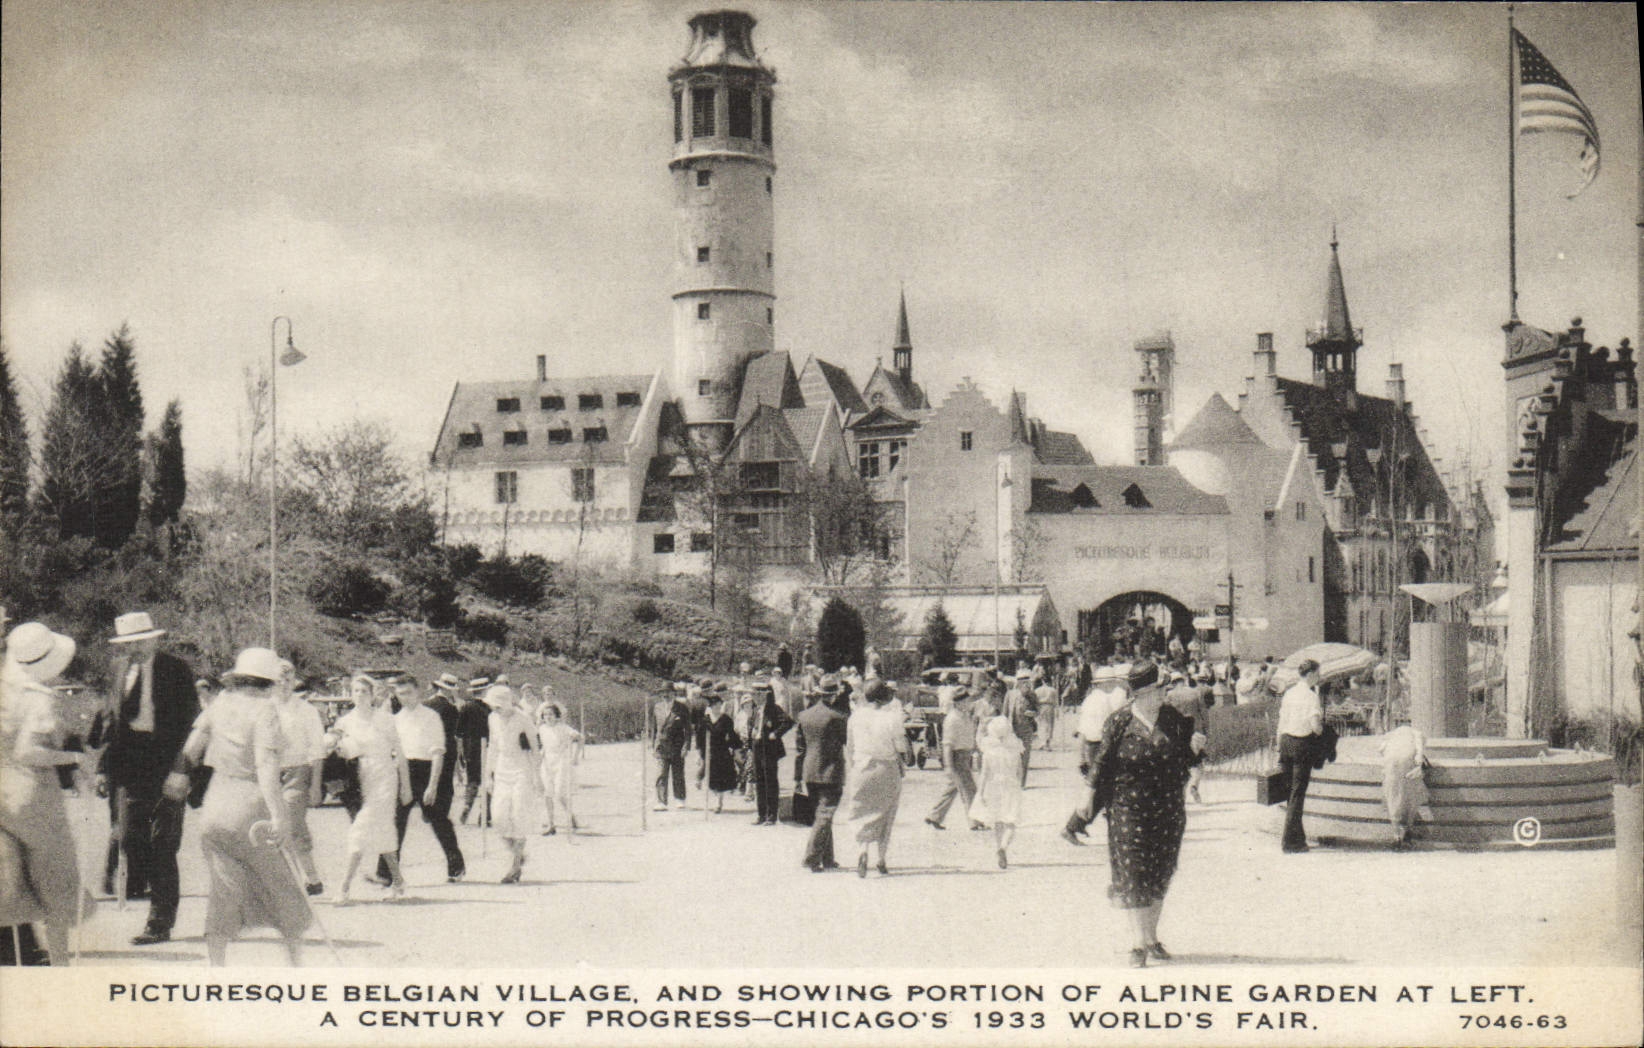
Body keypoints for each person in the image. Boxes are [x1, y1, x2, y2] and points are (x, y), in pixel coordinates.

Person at [168, 648, 310, 966]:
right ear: (269, 682)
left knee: (223, 890)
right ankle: (296, 968)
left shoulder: (220, 704)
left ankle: (217, 968)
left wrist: (178, 776)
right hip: (250, 806)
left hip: (215, 805)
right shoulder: (266, 711)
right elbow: (265, 764)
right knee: (284, 888)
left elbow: (191, 749)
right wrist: (279, 814)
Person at [1086, 661, 1204, 967]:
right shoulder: (1119, 721)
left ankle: (1151, 938)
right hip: (1127, 806)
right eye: (1158, 690)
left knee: (1161, 872)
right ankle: (1137, 943)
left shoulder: (1174, 719)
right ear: (1140, 693)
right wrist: (1088, 799)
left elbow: (1186, 758)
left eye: (1164, 689)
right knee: (1134, 872)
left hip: (1167, 807)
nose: (1164, 694)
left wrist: (1195, 750)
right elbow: (1101, 764)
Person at [98, 611, 199, 946]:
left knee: (164, 844)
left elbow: (191, 725)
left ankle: (159, 922)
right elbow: (110, 720)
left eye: (141, 640)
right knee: (127, 839)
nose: (136, 647)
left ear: (155, 638)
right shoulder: (118, 670)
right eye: (129, 643)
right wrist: (102, 768)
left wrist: (180, 770)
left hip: (166, 762)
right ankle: (142, 891)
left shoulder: (176, 670)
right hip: (129, 766)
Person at [1, 622, 88, 964]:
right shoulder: (38, 698)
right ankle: (60, 965)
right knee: (56, 886)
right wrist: (73, 758)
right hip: (33, 797)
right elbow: (28, 751)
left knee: (13, 885)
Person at [329, 674, 409, 903]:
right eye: (356, 691)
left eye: (365, 691)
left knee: (360, 829)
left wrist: (407, 787)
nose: (360, 695)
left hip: (384, 776)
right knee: (382, 829)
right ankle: (399, 881)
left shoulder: (385, 719)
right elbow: (334, 747)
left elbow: (400, 754)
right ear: (350, 694)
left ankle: (343, 888)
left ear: (373, 694)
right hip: (360, 778)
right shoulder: (345, 721)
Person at [384, 676, 465, 883]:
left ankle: (456, 865)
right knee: (396, 822)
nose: (405, 698)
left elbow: (438, 752)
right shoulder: (396, 718)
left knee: (439, 821)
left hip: (427, 770)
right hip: (404, 771)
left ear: (418, 691)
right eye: (400, 694)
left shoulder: (431, 717)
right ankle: (386, 872)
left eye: (409, 692)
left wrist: (432, 785)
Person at [841, 680, 911, 877]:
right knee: (886, 813)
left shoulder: (855, 717)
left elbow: (850, 746)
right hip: (886, 768)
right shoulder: (892, 718)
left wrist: (854, 766)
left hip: (861, 768)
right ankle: (881, 859)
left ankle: (862, 851)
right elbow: (901, 747)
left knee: (861, 811)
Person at [272, 662, 327, 895]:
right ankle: (291, 881)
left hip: (298, 771)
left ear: (294, 682)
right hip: (270, 773)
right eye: (279, 680)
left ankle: (312, 878)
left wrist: (315, 784)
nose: (284, 685)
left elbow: (317, 749)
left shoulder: (306, 710)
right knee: (272, 826)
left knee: (293, 823)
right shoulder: (265, 708)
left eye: (288, 680)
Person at [1062, 664, 1130, 845]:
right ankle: (1073, 826)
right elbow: (1086, 732)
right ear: (1104, 683)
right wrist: (1083, 757)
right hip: (1097, 746)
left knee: (1103, 789)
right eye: (1112, 682)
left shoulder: (1097, 699)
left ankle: (1078, 824)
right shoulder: (1097, 701)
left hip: (1097, 745)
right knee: (1103, 788)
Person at [478, 685, 539, 883]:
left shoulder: (523, 718)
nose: (496, 710)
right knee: (498, 817)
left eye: (498, 706)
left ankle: (514, 868)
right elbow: (493, 747)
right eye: (493, 706)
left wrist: (538, 775)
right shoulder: (492, 718)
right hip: (502, 770)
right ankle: (518, 853)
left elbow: (535, 747)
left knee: (519, 814)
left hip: (522, 769)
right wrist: (488, 775)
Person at [795, 678, 848, 871]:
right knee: (825, 815)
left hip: (810, 771)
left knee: (821, 814)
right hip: (830, 771)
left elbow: (800, 750)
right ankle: (811, 857)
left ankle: (828, 858)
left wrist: (797, 777)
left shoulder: (804, 715)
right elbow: (846, 741)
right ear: (834, 695)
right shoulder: (838, 717)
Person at [1276, 659, 1324, 854]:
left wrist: (1278, 747)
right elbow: (1315, 727)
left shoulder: (1289, 693)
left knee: (1290, 793)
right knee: (1297, 794)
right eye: (1318, 673)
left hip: (1285, 742)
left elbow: (1282, 720)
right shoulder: (1311, 696)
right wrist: (1321, 728)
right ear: (1311, 674)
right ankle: (1289, 842)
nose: (1319, 677)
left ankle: (1298, 837)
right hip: (1301, 745)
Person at [924, 685, 982, 831]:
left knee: (953, 788)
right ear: (958, 703)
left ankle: (934, 816)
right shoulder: (952, 719)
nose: (969, 704)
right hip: (957, 758)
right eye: (966, 701)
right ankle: (974, 822)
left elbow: (969, 736)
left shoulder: (965, 716)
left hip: (965, 755)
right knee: (969, 790)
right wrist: (948, 766)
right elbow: (947, 745)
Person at [970, 716, 1025, 869]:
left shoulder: (989, 752)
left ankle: (997, 848)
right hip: (1010, 785)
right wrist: (1018, 786)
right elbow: (1019, 773)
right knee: (1011, 821)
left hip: (993, 785)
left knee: (997, 820)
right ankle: (1003, 848)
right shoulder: (1015, 751)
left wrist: (980, 793)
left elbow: (984, 774)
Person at [1379, 720, 1431, 847]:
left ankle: (1396, 835)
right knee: (1411, 797)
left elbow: (1380, 749)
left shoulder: (1391, 735)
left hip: (1391, 765)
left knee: (1392, 798)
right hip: (1408, 765)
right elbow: (1419, 750)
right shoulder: (1417, 733)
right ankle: (1408, 829)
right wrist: (1419, 763)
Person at [748, 684, 793, 825]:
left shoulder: (774, 709)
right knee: (759, 781)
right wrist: (752, 732)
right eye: (754, 695)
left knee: (770, 781)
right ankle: (761, 814)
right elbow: (752, 725)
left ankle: (772, 815)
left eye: (758, 695)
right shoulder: (755, 710)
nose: (755, 698)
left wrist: (775, 733)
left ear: (765, 695)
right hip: (757, 747)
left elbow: (788, 722)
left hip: (769, 748)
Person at [1164, 669, 1209, 804]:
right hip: (1195, 731)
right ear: (1183, 680)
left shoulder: (1169, 695)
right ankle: (1194, 785)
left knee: (1181, 765)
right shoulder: (1196, 692)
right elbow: (1204, 713)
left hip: (1178, 734)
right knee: (1197, 763)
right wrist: (1207, 730)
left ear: (1173, 683)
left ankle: (1181, 795)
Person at [536, 700, 582, 833]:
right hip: (547, 762)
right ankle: (551, 824)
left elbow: (580, 738)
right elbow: (543, 745)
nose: (548, 717)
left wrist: (575, 757)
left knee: (560, 794)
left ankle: (571, 815)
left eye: (550, 714)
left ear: (556, 715)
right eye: (545, 715)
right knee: (547, 794)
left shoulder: (563, 727)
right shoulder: (542, 729)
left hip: (561, 761)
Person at [698, 691, 740, 813]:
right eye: (715, 705)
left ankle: (719, 802)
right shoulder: (705, 721)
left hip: (722, 752)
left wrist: (736, 749)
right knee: (712, 778)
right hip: (709, 752)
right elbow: (700, 739)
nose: (717, 707)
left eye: (719, 705)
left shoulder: (726, 720)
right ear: (710, 707)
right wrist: (699, 754)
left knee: (721, 778)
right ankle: (715, 797)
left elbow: (732, 736)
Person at [654, 686, 691, 811]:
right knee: (661, 774)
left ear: (673, 694)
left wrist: (686, 746)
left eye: (668, 693)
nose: (666, 695)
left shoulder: (682, 708)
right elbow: (654, 728)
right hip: (661, 747)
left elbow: (688, 730)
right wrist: (653, 744)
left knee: (678, 773)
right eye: (663, 693)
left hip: (677, 746)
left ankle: (679, 799)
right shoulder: (657, 707)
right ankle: (661, 801)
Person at [1001, 670, 1039, 785]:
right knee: (1012, 755)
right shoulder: (1010, 694)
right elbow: (1005, 712)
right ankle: (1012, 780)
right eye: (1022, 682)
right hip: (1012, 729)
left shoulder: (1032, 695)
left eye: (1027, 682)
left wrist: (1032, 713)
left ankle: (1021, 782)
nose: (1025, 684)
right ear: (1018, 683)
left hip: (1027, 729)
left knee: (1025, 756)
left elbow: (1037, 710)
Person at [1034, 672, 1059, 752]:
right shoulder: (1053, 690)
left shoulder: (1037, 690)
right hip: (1049, 707)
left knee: (1041, 724)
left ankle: (1042, 742)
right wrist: (1057, 711)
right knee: (1049, 725)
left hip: (1040, 707)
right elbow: (1056, 702)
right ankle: (1047, 743)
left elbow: (1035, 701)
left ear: (1043, 681)